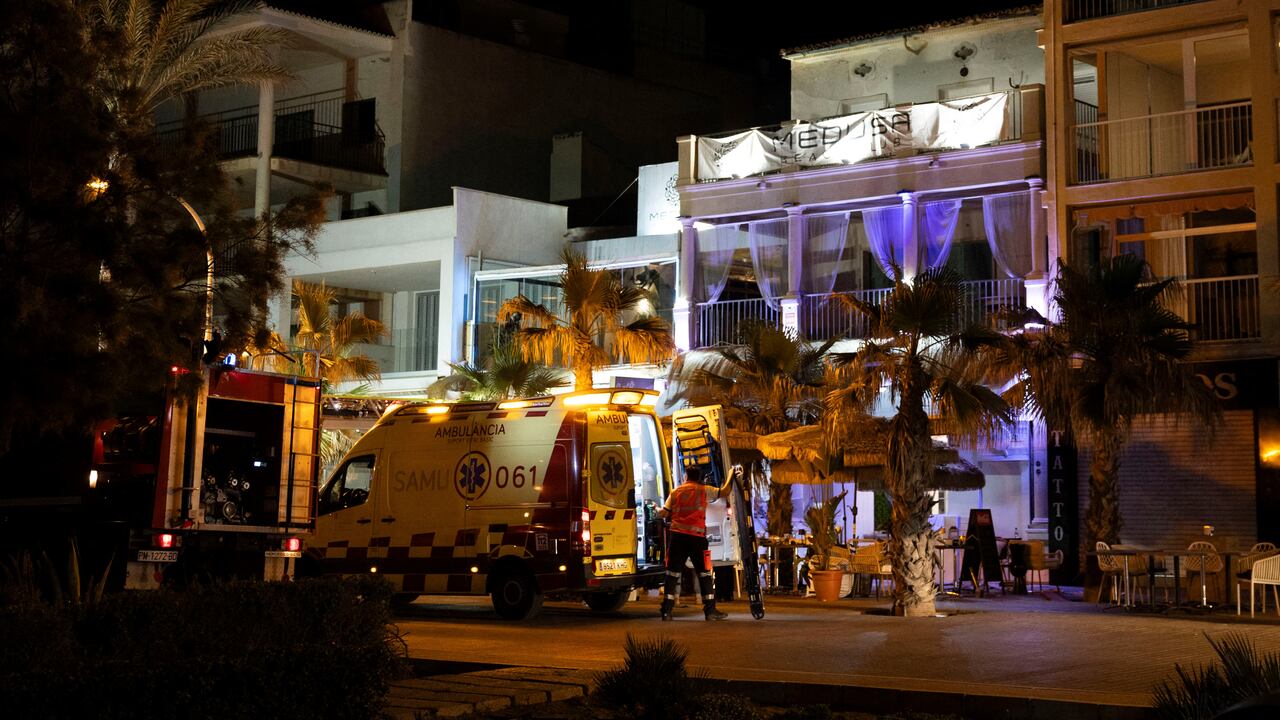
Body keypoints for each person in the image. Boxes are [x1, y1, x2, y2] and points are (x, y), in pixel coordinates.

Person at [658, 464, 738, 621]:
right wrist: (731, 474)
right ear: (699, 478)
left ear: (686, 477)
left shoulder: (675, 492)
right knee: (704, 573)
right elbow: (725, 491)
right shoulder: (704, 490)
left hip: (677, 538)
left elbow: (664, 513)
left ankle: (666, 611)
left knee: (672, 574)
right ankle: (710, 611)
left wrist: (655, 509)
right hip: (697, 538)